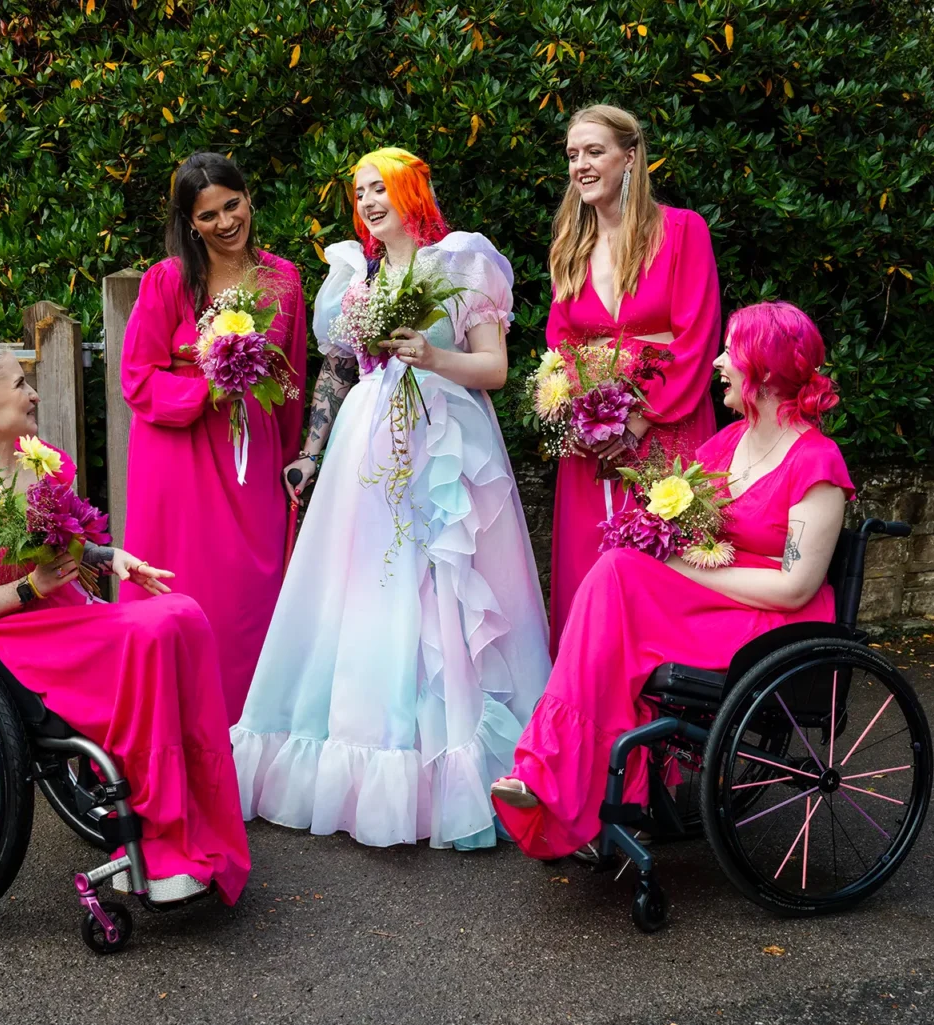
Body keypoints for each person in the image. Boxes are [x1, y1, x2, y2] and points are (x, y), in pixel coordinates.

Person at [231, 147, 552, 850]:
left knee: (445, 590)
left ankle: (459, 768)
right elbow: (340, 370)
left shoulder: (463, 263)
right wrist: (312, 453)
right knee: (368, 594)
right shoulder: (356, 274)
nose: (370, 200)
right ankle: (367, 758)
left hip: (446, 446)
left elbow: (494, 368)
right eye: (360, 191)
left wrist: (432, 357)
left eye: (381, 187)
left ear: (412, 190)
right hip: (365, 453)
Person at [491, 302, 851, 861]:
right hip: (715, 606)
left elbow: (797, 587)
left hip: (773, 626)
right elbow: (679, 529)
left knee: (619, 583)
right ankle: (578, 786)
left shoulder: (816, 462)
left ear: (765, 368)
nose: (717, 363)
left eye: (732, 352)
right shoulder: (727, 445)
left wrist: (684, 569)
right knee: (618, 578)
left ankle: (553, 776)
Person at [0, 339, 249, 905]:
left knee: (183, 616)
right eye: (19, 384)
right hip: (14, 646)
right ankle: (159, 841)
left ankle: (194, 832)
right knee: (151, 632)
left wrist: (110, 558)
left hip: (71, 622)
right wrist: (29, 589)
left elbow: (64, 552)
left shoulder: (40, 465)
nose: (33, 393)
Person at [120, 152, 309, 724]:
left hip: (254, 455)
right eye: (208, 215)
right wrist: (206, 392)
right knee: (182, 593)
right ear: (189, 222)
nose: (226, 222)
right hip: (176, 459)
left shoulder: (284, 278)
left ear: (249, 198)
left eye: (233, 205)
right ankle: (169, 734)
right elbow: (137, 376)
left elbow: (291, 375)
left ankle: (246, 739)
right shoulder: (168, 281)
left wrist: (295, 456)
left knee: (251, 594)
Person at [545, 104, 723, 656]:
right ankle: (588, 716)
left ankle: (664, 723)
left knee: (658, 565)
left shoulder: (681, 231)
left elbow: (696, 335)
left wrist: (639, 420)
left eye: (595, 151)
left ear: (630, 157)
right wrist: (578, 414)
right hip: (591, 443)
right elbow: (560, 343)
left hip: (664, 430)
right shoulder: (570, 247)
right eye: (573, 155)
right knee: (587, 568)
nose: (581, 165)